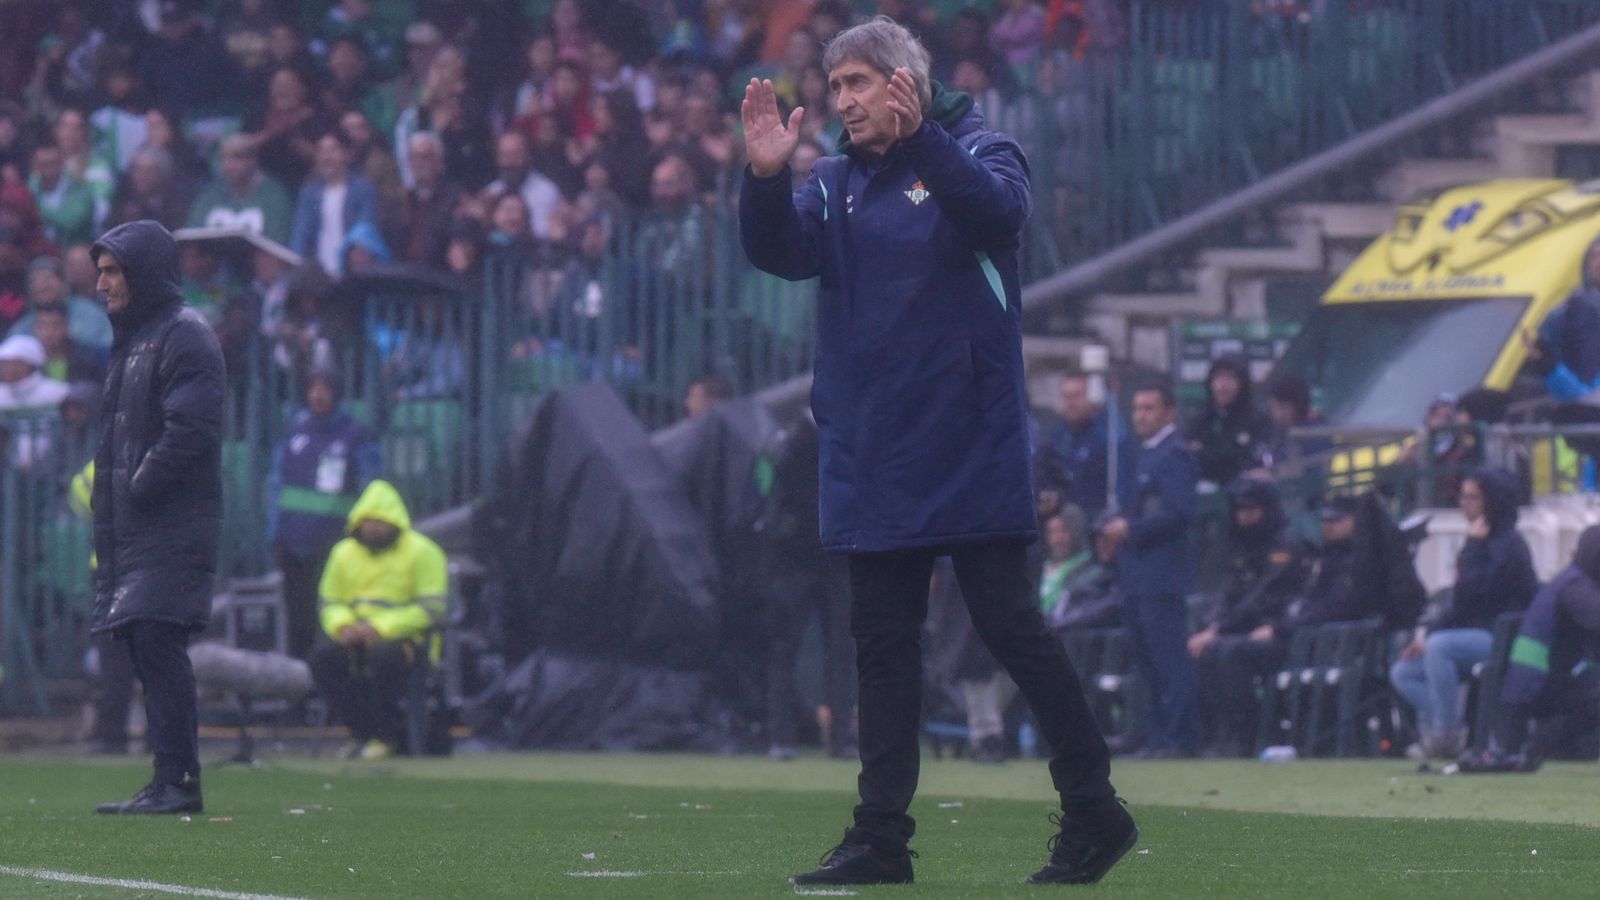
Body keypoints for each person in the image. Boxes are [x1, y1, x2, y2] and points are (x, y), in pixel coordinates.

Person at [739, 17, 1134, 887]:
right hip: (874, 452)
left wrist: (925, 143)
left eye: (857, 84)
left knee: (1011, 631)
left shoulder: (984, 149)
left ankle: (1095, 809)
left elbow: (1001, 215)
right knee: (881, 649)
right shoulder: (835, 180)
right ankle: (881, 839)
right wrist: (767, 177)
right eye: (834, 87)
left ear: (903, 82)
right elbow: (777, 251)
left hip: (965, 442)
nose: (842, 102)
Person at [90, 219, 226, 815]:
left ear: (142, 273)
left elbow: (192, 429)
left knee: (156, 639)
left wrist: (139, 488)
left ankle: (180, 783)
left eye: (112, 270)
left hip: (171, 523)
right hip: (140, 527)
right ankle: (169, 779)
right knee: (147, 644)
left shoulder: (184, 335)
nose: (101, 284)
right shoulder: (139, 337)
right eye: (99, 272)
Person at [1389, 469, 1538, 759]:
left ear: (1492, 500)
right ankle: (1461, 728)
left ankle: (1446, 734)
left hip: (1500, 637)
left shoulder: (1507, 544)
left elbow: (1474, 592)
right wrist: (1429, 636)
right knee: (1404, 672)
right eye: (1463, 496)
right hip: (1472, 635)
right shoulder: (1480, 540)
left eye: (1473, 497)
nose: (1463, 503)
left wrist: (1473, 547)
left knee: (1441, 648)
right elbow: (1458, 604)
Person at [309, 480, 448, 761]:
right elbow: (330, 601)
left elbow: (432, 609)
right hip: (353, 638)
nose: (373, 527)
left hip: (409, 642)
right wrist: (343, 625)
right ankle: (361, 732)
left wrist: (380, 628)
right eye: (368, 521)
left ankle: (387, 736)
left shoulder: (423, 552)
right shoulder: (342, 553)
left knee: (385, 658)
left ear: (396, 522)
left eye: (380, 521)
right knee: (322, 658)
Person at [1102, 381, 1199, 758]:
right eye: (1137, 408)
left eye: (1150, 408)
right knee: (1148, 663)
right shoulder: (1142, 455)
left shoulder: (1174, 456)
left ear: (1169, 413)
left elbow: (1178, 514)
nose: (1141, 416)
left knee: (1169, 660)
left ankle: (1178, 738)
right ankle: (1158, 737)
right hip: (1136, 576)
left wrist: (1131, 530)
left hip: (1161, 576)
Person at [1188, 478, 1310, 757]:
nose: (1244, 518)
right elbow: (1229, 593)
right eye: (1240, 511)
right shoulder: (1243, 545)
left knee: (1229, 652)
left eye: (1251, 511)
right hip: (1242, 630)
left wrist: (1219, 628)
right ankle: (1218, 732)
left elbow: (1264, 595)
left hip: (1281, 631)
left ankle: (1246, 733)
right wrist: (1211, 627)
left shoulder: (1285, 544)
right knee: (1205, 652)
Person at [269, 368, 381, 660]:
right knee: (298, 622)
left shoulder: (357, 437)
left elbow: (372, 491)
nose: (318, 395)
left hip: (335, 545)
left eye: (325, 388)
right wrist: (275, 534)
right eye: (313, 388)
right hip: (294, 546)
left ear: (337, 393)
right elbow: (277, 487)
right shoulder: (293, 432)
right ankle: (299, 690)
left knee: (333, 619)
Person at [290, 132, 380, 277]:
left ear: (346, 154)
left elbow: (364, 235)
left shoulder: (364, 191)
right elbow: (300, 237)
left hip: (351, 277)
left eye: (333, 150)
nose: (327, 157)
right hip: (317, 278)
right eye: (321, 151)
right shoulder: (308, 194)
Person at [185, 134, 294, 244]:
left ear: (253, 159)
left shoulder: (274, 196)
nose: (229, 165)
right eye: (223, 158)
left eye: (237, 157)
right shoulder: (209, 195)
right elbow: (191, 238)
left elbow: (277, 245)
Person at [1187, 355, 1267, 488]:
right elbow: (1189, 455)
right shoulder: (1201, 417)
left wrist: (1206, 452)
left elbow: (1245, 461)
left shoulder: (1257, 419)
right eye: (1218, 378)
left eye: (1230, 378)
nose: (1223, 386)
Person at [1048, 369, 1111, 518]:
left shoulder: (1106, 438)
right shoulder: (1056, 437)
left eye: (1076, 396)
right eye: (1066, 397)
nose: (1070, 403)